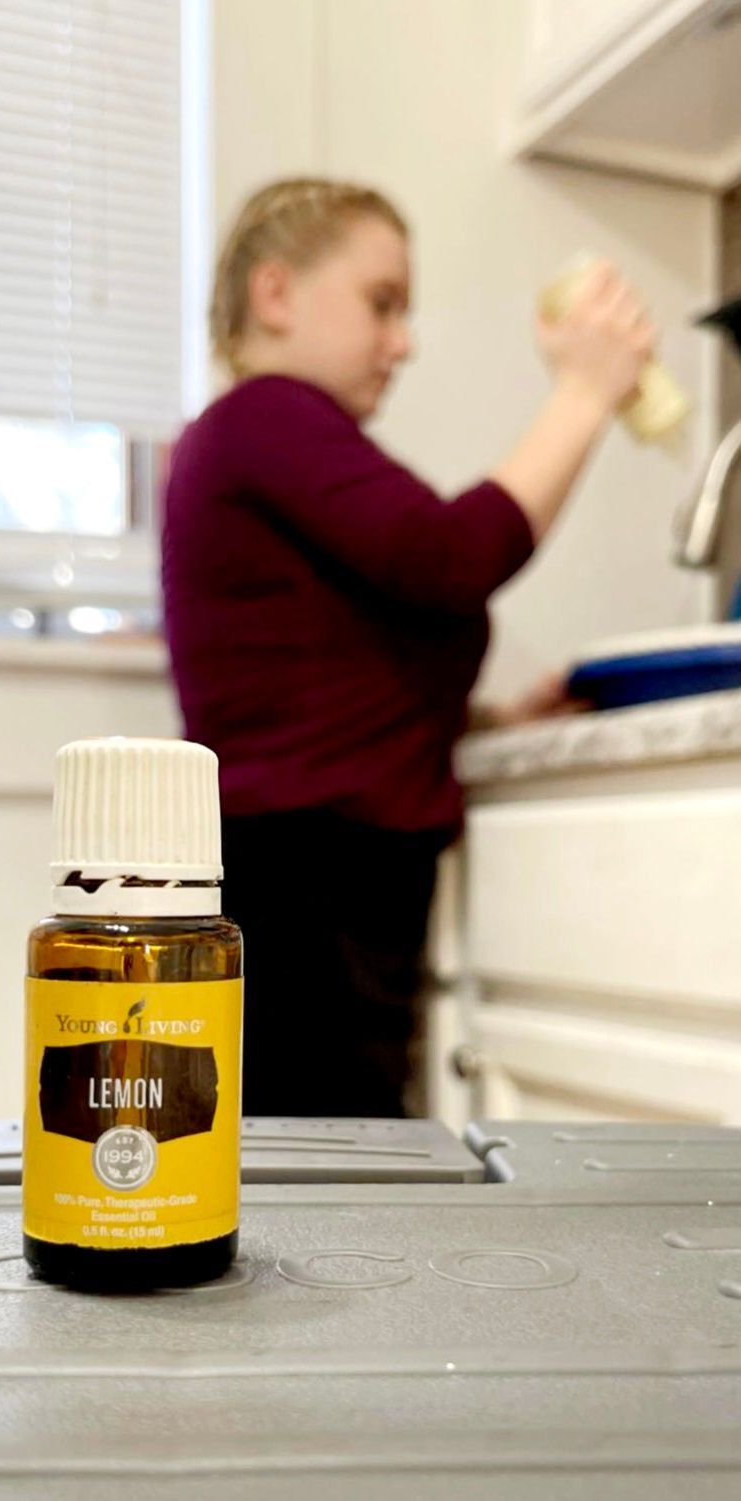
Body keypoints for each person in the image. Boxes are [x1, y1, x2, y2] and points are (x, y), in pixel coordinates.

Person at [160, 177, 653, 1119]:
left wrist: (484, 718)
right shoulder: (265, 415)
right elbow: (444, 557)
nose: (404, 341)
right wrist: (585, 394)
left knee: (324, 1160)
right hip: (313, 884)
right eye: (381, 304)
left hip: (310, 871)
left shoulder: (256, 440)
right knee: (330, 1168)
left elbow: (319, 663)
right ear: (276, 295)